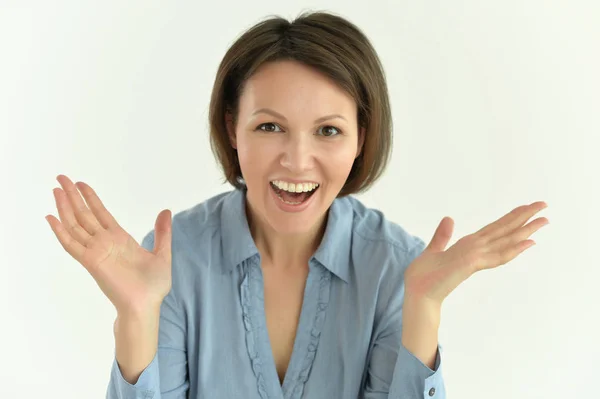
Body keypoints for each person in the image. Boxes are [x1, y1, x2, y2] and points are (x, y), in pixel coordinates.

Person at [46, 10, 549, 399]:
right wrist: (136, 314)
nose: (297, 160)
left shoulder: (395, 265)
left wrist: (423, 307)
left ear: (360, 140)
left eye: (328, 131)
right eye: (269, 127)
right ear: (231, 129)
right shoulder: (172, 257)